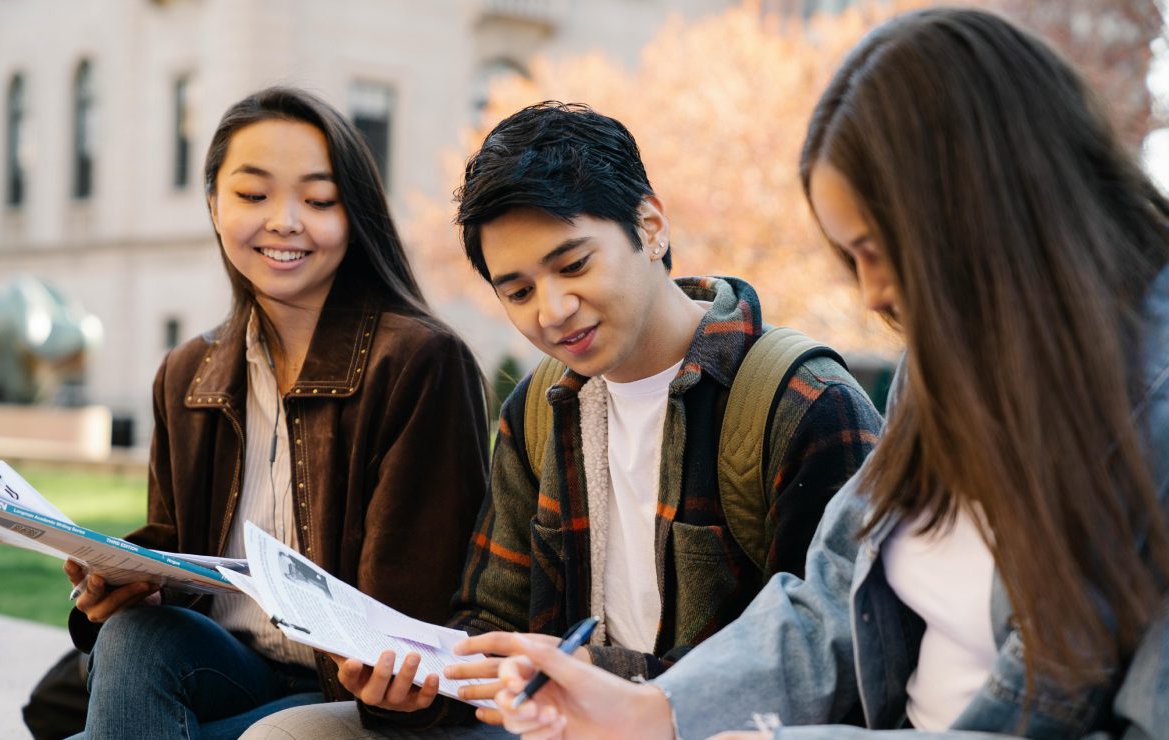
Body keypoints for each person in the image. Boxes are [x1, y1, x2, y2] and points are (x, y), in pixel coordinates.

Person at [486, 7, 1169, 739]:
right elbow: (832, 598)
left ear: (986, 204)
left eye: (880, 249)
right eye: (852, 259)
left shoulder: (1146, 414)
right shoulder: (944, 365)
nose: (871, 292)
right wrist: (656, 710)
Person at [246, 103, 883, 738]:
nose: (553, 310)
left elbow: (832, 659)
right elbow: (488, 617)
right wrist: (421, 685)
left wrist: (598, 676)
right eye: (518, 292)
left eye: (574, 265)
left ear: (650, 225)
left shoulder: (801, 400)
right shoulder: (539, 408)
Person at [61, 86, 489, 739]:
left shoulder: (419, 363)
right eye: (252, 195)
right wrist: (120, 583)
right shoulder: (187, 373)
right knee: (136, 634)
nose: (285, 221)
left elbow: (414, 616)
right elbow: (178, 550)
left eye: (318, 200)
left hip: (351, 693)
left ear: (356, 216)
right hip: (227, 667)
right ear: (213, 204)